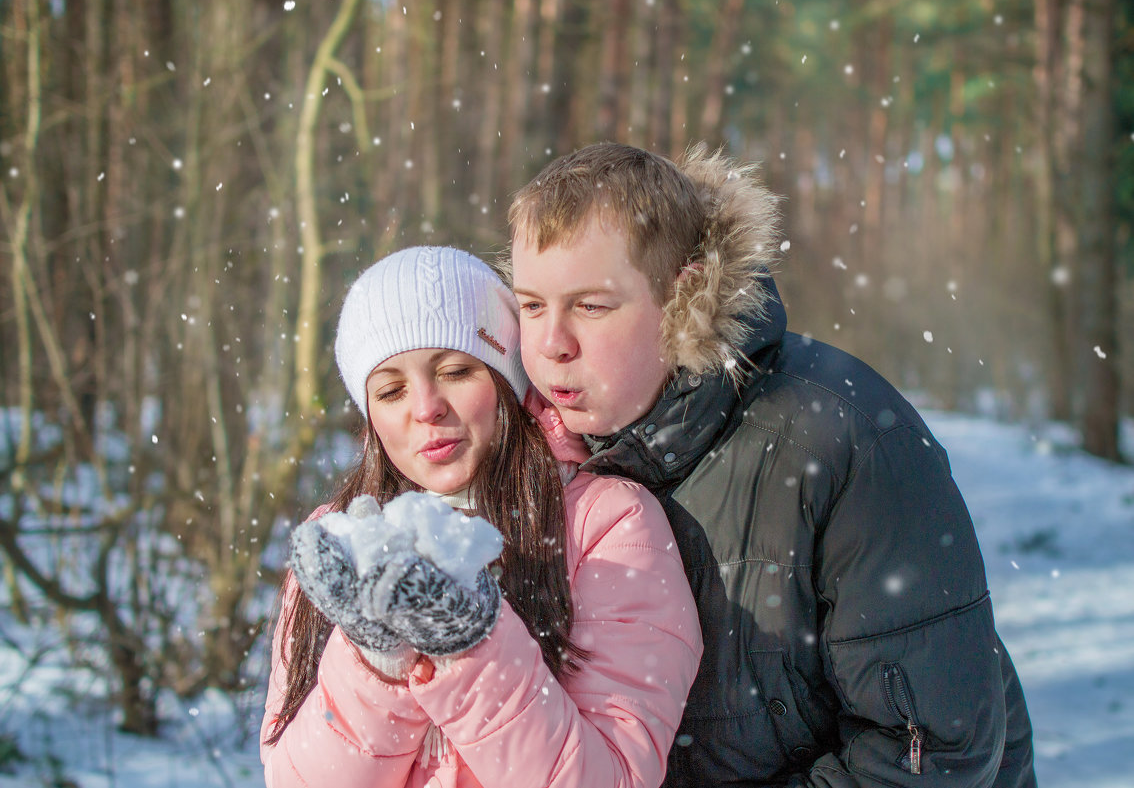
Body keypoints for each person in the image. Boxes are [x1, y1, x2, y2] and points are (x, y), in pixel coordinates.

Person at [507, 142, 1037, 788]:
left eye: (591, 305)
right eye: (531, 304)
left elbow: (929, 754)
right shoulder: (525, 457)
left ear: (683, 295)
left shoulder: (841, 438)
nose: (553, 343)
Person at [260, 245, 703, 788]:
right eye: (391, 389)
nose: (425, 407)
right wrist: (378, 662)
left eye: (455, 370)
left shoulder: (607, 524)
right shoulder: (339, 542)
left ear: (509, 380)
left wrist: (467, 643)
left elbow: (612, 778)